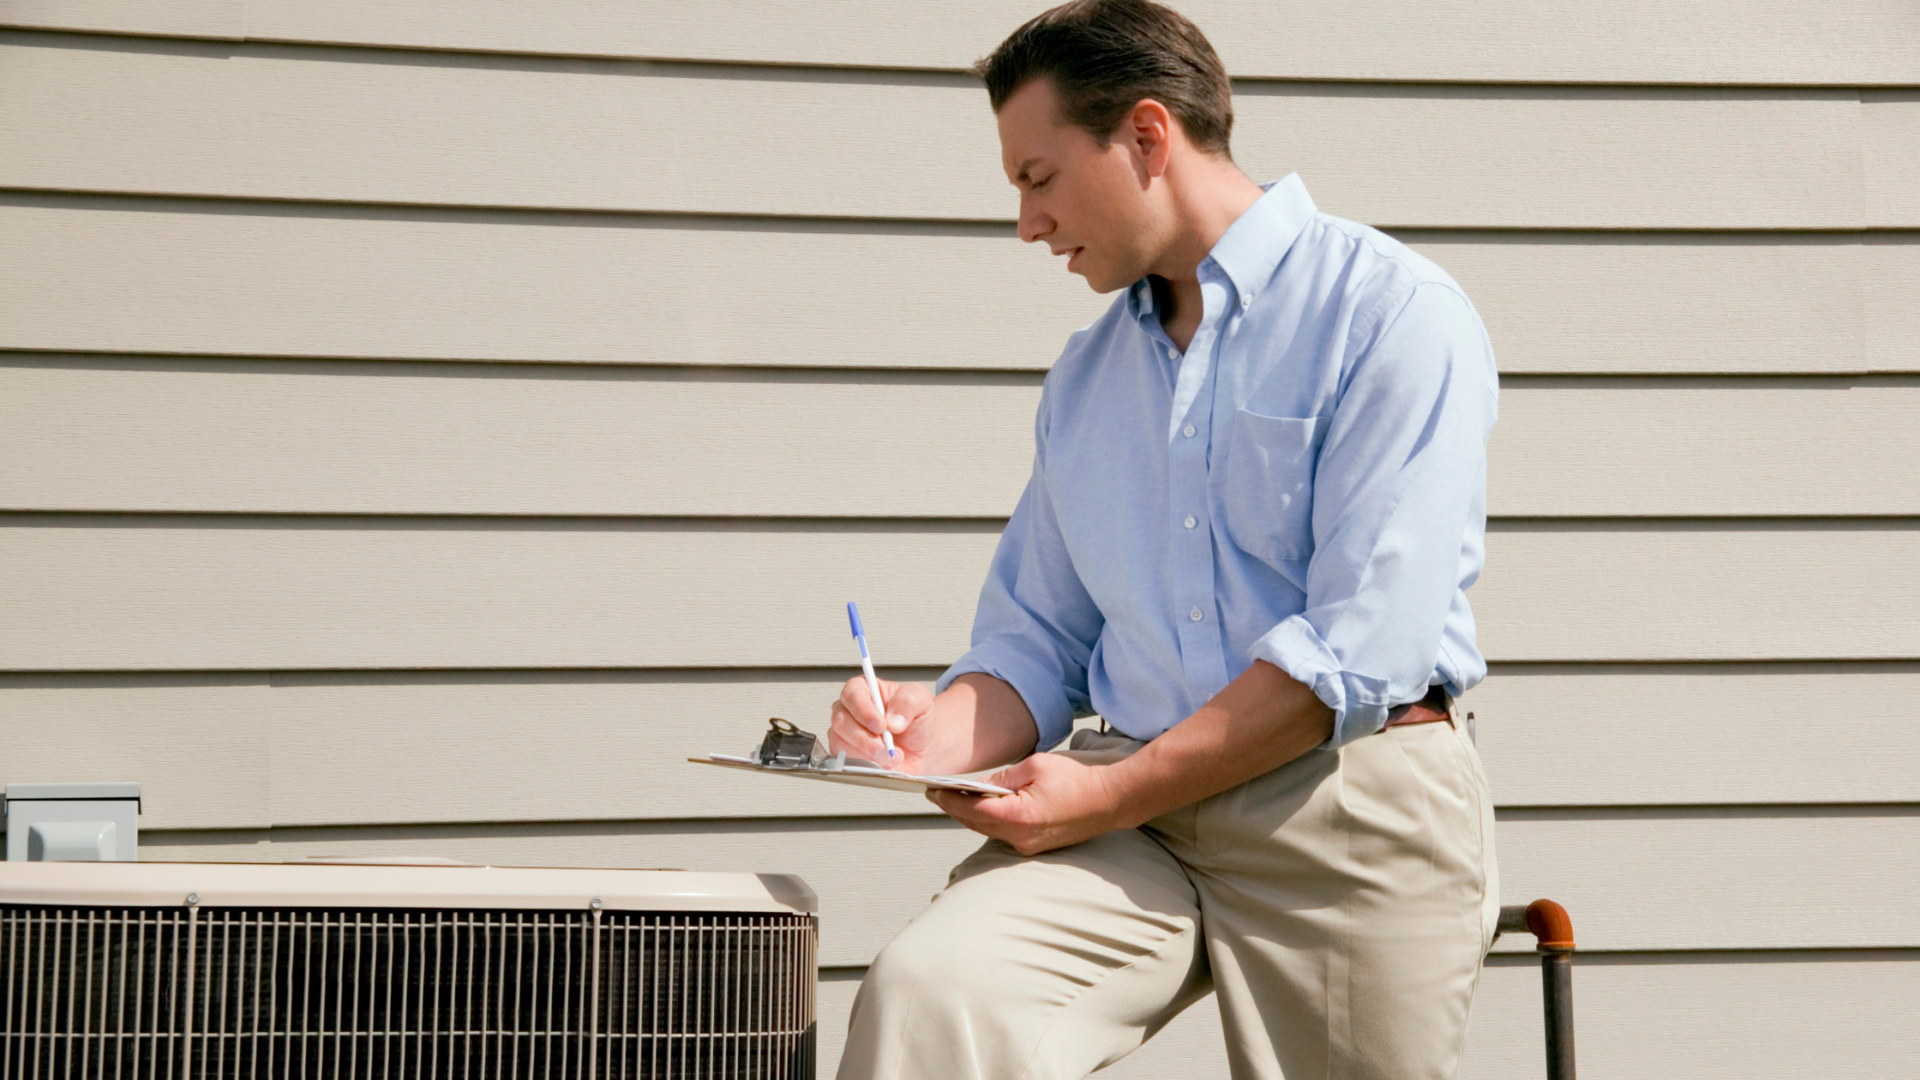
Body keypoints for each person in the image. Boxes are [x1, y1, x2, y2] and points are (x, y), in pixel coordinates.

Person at [827, 2, 1501, 1076]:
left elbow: (1357, 649)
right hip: (1130, 818)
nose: (1026, 225)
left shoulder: (1392, 315)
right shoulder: (1087, 380)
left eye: (1037, 179)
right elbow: (1039, 640)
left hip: (1348, 803)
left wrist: (1099, 793)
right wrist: (929, 733)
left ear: (1147, 136)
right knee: (934, 993)